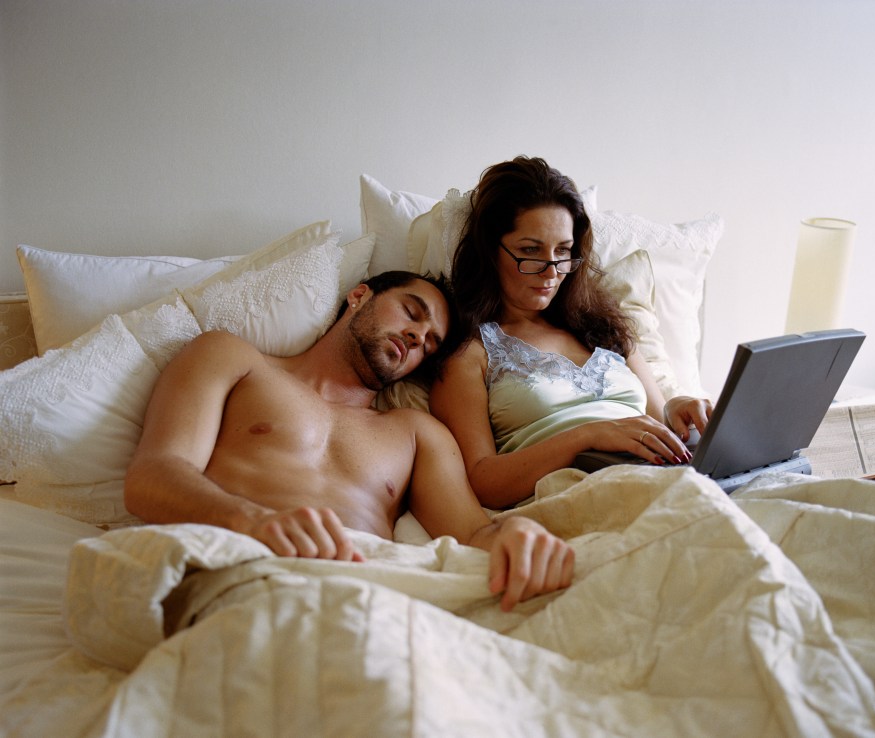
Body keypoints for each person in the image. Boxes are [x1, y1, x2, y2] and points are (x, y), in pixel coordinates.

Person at [125, 270, 574, 612]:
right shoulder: (233, 358)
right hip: (239, 570)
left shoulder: (416, 433)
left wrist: (517, 530)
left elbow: (474, 533)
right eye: (411, 313)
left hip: (366, 598)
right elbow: (152, 476)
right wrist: (253, 522)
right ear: (359, 296)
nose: (418, 337)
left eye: (429, 343)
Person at [430, 157, 714, 509]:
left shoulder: (605, 329)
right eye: (530, 251)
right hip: (577, 495)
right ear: (490, 250)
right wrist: (589, 435)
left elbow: (659, 420)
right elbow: (483, 481)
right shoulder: (470, 353)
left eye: (563, 251)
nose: (551, 271)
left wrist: (679, 410)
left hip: (661, 479)